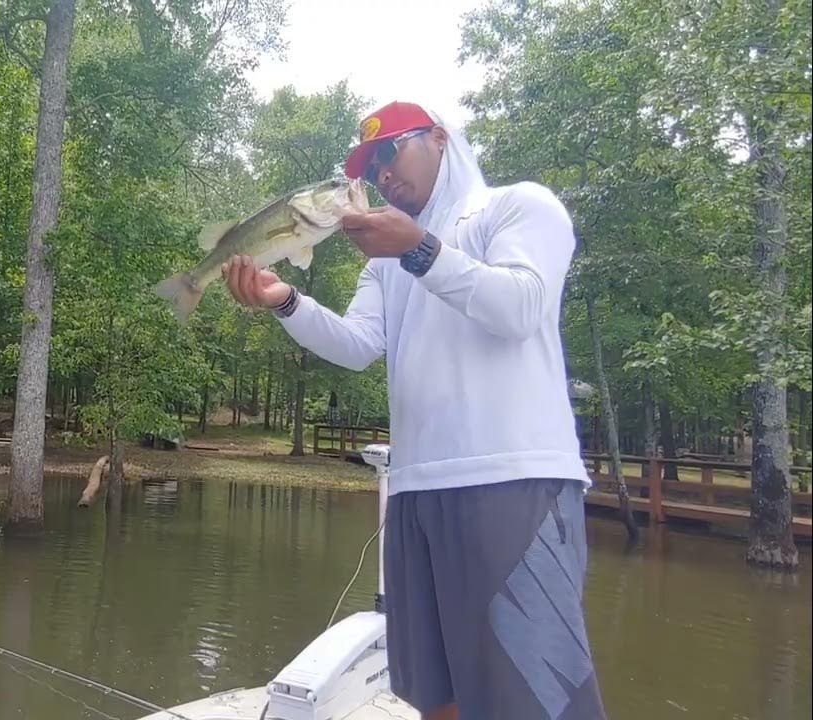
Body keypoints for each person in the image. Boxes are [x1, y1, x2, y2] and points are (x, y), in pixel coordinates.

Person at [221, 101, 607, 720]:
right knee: (435, 694)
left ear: (439, 138)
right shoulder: (385, 260)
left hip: (513, 482)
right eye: (369, 167)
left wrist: (421, 250)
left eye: (389, 151)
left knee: (533, 702)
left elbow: (521, 306)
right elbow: (358, 345)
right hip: (413, 491)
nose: (381, 174)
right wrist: (285, 300)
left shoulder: (517, 206)